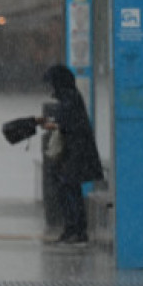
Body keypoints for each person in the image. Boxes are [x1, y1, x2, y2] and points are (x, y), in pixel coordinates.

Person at [37, 64, 103, 246]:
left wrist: (46, 123)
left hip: (76, 152)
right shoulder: (71, 96)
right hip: (73, 150)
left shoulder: (69, 98)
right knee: (67, 188)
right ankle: (72, 229)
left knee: (69, 189)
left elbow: (64, 122)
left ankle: (76, 230)